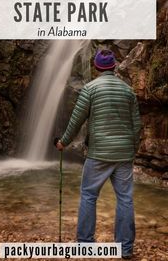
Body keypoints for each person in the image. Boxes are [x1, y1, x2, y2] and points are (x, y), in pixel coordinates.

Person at [56, 49, 141, 259]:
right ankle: (125, 249)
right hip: (124, 154)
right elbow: (137, 126)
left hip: (99, 154)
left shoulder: (90, 89)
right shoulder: (128, 91)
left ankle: (85, 244)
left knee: (88, 195)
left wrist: (63, 142)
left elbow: (77, 120)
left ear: (96, 67)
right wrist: (132, 149)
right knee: (125, 199)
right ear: (113, 66)